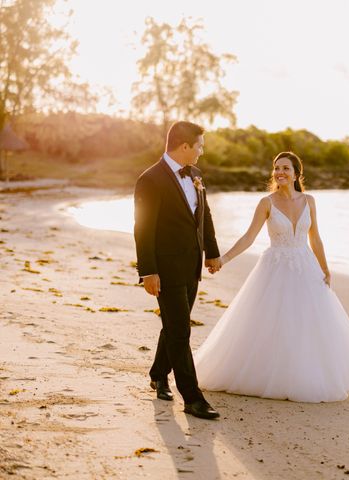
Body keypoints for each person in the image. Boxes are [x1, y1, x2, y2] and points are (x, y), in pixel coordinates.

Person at [194, 151, 349, 402]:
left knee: (308, 323)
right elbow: (249, 237)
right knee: (269, 322)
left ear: (296, 174)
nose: (280, 172)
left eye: (286, 168)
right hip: (274, 269)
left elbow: (315, 238)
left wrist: (325, 269)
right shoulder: (266, 203)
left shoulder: (309, 201)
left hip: (306, 267)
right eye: (276, 168)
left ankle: (305, 373)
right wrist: (223, 259)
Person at [133, 121, 222, 420]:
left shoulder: (196, 174)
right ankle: (193, 398)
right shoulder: (150, 179)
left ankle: (158, 373)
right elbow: (142, 228)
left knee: (174, 326)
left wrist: (212, 252)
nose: (202, 150)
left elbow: (204, 215)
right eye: (200, 145)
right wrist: (148, 271)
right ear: (184, 146)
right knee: (181, 329)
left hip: (192, 265)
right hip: (165, 269)